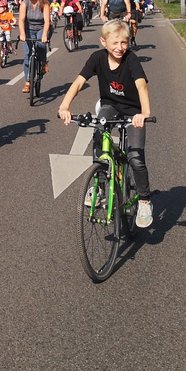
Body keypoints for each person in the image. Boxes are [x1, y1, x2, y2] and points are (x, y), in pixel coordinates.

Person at [57, 18, 154, 228]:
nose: (120, 48)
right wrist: (64, 106)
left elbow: (141, 86)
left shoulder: (131, 60)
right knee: (99, 137)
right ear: (103, 42)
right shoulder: (97, 58)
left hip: (132, 111)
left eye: (124, 43)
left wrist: (144, 113)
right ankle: (100, 186)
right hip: (110, 105)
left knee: (135, 157)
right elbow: (79, 82)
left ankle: (145, 200)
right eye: (115, 43)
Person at [18, 0, 52, 95]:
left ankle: (43, 63)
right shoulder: (24, 3)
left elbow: (47, 21)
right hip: (28, 29)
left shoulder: (44, 3)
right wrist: (22, 34)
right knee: (27, 55)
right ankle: (28, 82)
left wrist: (44, 35)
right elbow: (21, 20)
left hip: (42, 27)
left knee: (41, 45)